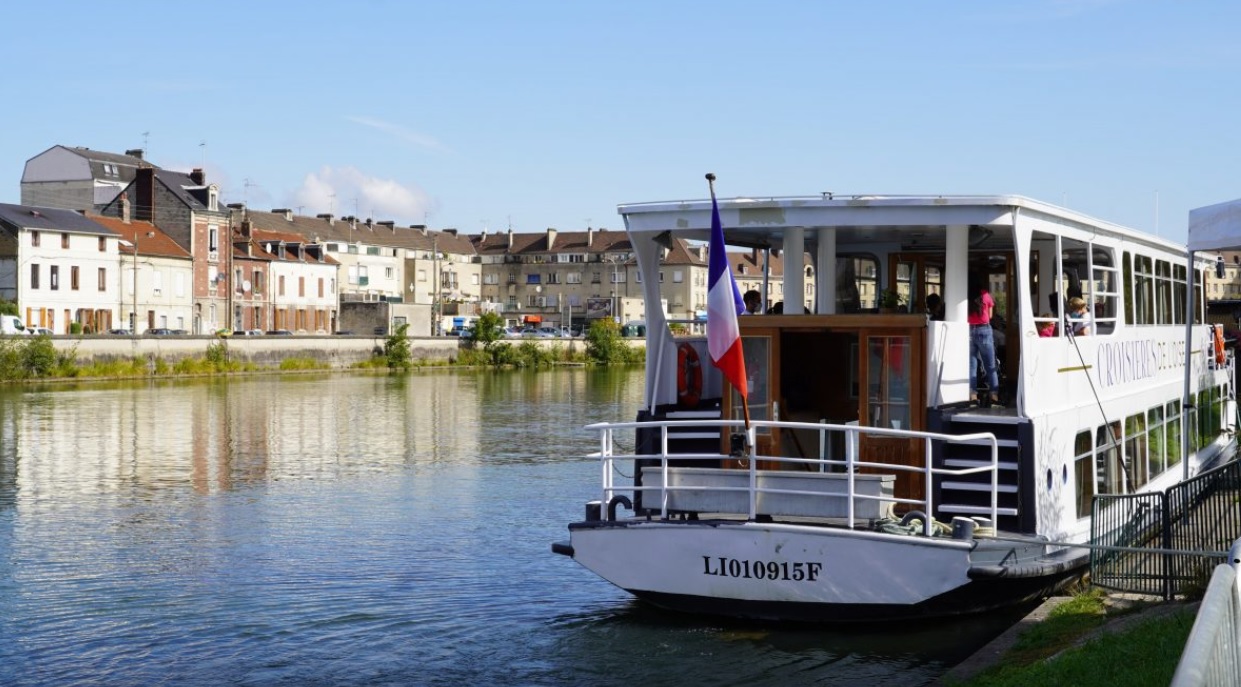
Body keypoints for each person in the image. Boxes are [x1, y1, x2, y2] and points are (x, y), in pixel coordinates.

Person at [968, 279, 1001, 408]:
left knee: (971, 366)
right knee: (990, 366)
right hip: (984, 330)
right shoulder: (986, 296)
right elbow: (991, 316)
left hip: (970, 330)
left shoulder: (967, 297)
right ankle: (994, 397)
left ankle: (973, 396)